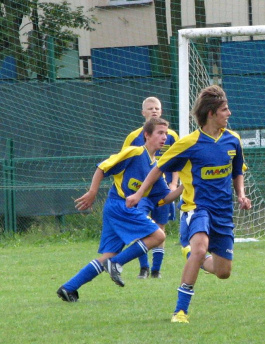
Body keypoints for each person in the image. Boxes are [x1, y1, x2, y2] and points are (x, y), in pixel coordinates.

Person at [126, 85, 252, 324]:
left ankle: (191, 254)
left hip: (223, 212)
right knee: (200, 248)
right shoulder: (189, 143)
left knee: (223, 272)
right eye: (225, 109)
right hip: (197, 208)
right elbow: (158, 168)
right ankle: (180, 311)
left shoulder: (233, 140)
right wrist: (139, 194)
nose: (229, 114)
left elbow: (238, 172)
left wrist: (241, 195)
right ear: (211, 113)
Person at [56, 117, 174, 302]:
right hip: (119, 205)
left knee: (108, 255)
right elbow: (103, 168)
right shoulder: (134, 152)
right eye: (160, 133)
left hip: (118, 209)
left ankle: (68, 288)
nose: (164, 137)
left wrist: (189, 186)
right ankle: (117, 264)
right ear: (146, 135)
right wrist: (92, 192)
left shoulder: (156, 167)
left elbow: (166, 197)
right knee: (158, 236)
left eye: (166, 133)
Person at [123, 96, 180, 279]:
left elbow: (177, 162)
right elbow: (124, 161)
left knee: (160, 227)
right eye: (150, 108)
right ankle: (143, 268)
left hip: (162, 190)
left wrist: (173, 184)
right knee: (143, 226)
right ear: (143, 113)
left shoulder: (171, 136)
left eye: (157, 108)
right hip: (142, 191)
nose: (154, 111)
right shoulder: (134, 137)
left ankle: (156, 270)